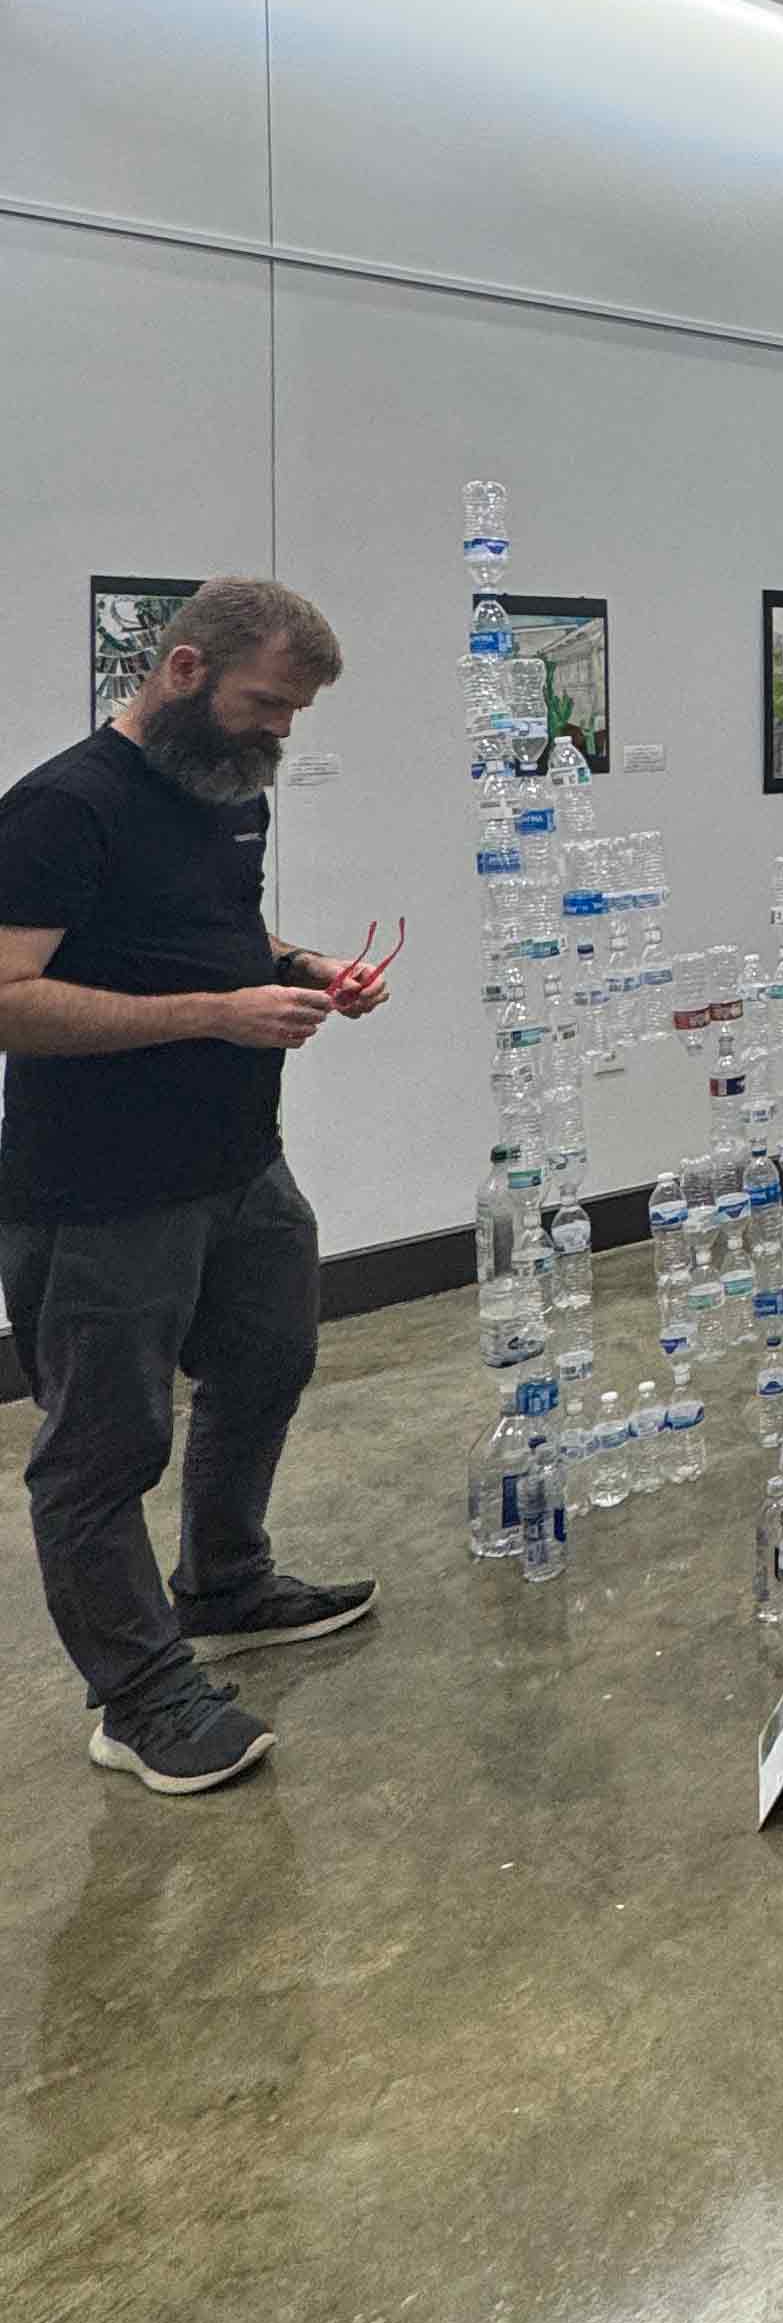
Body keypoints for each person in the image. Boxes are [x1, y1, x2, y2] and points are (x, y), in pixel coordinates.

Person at [0, 580, 387, 1797]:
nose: (281, 730)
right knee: (102, 1449)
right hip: (101, 1193)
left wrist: (304, 965)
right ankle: (140, 1697)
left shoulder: (226, 792)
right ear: (182, 671)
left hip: (238, 1162)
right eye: (266, 704)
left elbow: (219, 928)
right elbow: (9, 998)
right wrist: (216, 1014)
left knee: (269, 1361)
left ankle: (224, 1584)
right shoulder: (62, 809)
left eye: (296, 712)